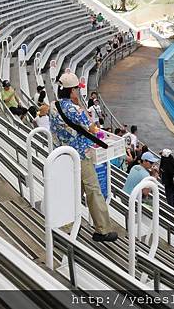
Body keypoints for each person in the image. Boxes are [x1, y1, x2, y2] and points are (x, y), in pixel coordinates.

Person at [49, 72, 117, 242]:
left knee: (70, 191)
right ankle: (103, 229)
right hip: (80, 156)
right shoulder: (75, 109)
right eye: (75, 90)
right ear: (72, 91)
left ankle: (66, 226)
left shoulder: (52, 106)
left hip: (62, 155)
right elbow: (92, 128)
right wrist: (81, 107)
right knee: (93, 190)